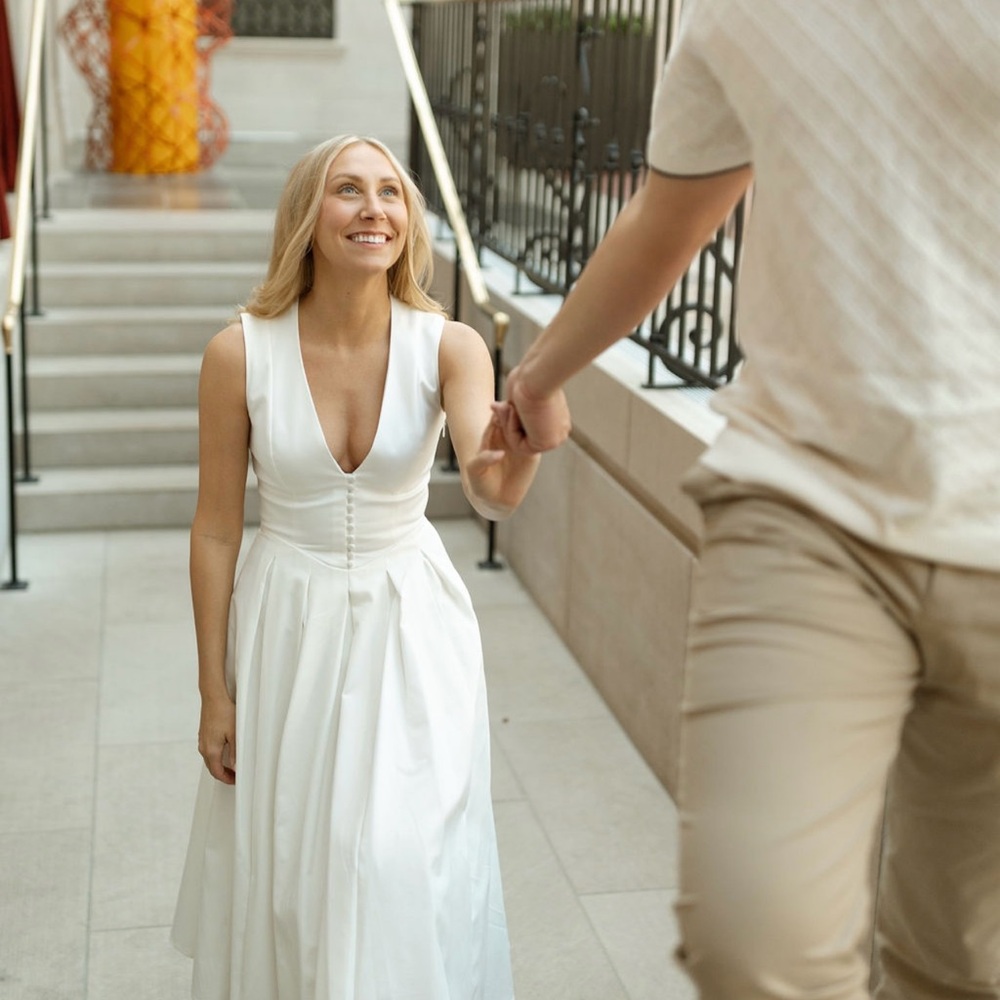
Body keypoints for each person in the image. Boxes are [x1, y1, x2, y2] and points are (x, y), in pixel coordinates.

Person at [501, 3, 1000, 999]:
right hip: (799, 501)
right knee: (755, 939)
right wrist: (536, 375)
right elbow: (668, 214)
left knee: (964, 958)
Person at [171, 134, 537, 1000]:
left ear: (408, 224)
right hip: (285, 625)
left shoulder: (450, 347)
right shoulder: (238, 353)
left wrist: (525, 450)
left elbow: (492, 494)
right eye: (348, 190)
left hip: (410, 627)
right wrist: (213, 692)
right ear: (307, 214)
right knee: (297, 863)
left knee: (393, 859)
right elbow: (217, 529)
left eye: (390, 194)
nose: (374, 209)